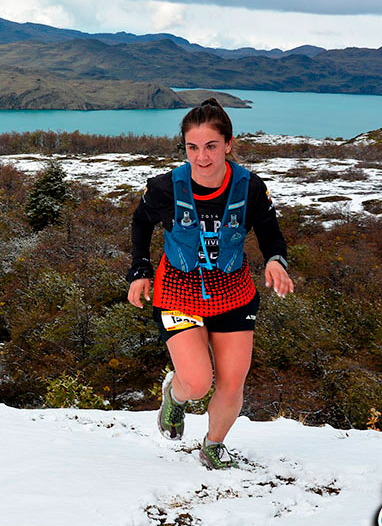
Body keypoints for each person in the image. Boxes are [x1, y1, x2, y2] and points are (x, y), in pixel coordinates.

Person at [126, 98, 294, 470]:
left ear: (229, 143)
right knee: (198, 382)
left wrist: (275, 261)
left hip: (233, 293)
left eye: (211, 146)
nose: (202, 157)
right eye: (192, 147)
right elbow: (140, 223)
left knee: (232, 382)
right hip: (178, 293)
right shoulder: (164, 187)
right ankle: (175, 394)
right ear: (184, 147)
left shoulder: (250, 187)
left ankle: (213, 444)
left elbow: (270, 232)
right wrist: (139, 270)